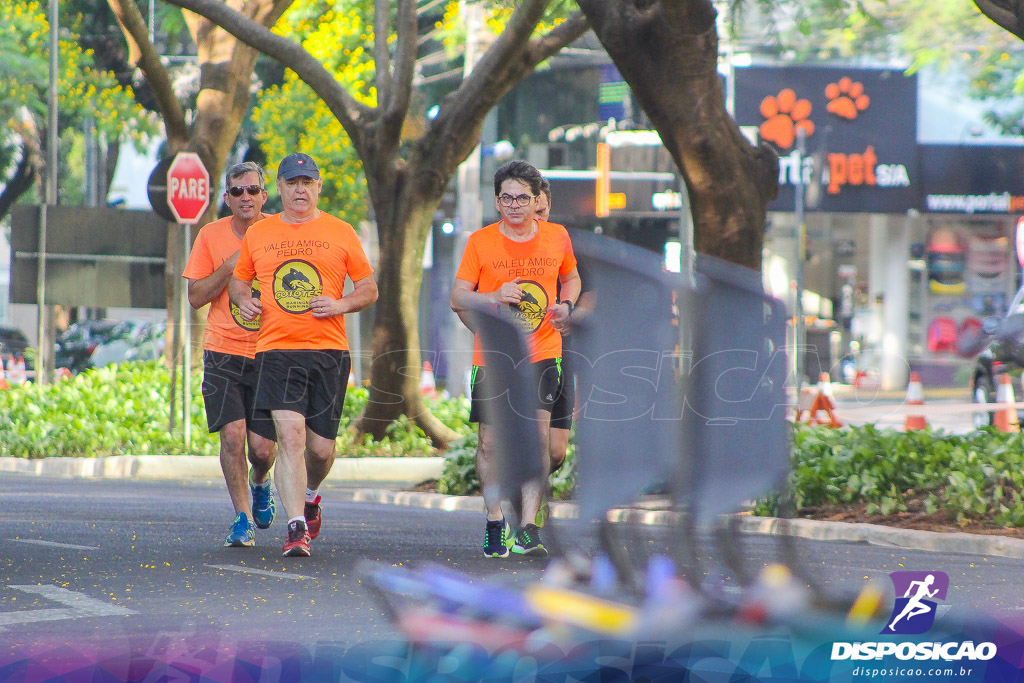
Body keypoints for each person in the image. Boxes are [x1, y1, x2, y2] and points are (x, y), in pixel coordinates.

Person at [230, 153, 378, 557]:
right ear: (278, 188)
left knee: (321, 450)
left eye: (306, 183)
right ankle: (296, 527)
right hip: (276, 349)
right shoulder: (260, 234)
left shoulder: (341, 232)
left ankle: (311, 495)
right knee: (290, 436)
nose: (299, 190)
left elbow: (368, 288)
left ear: (317, 187)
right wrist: (244, 301)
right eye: (292, 183)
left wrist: (341, 304)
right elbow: (239, 283)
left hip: (329, 351)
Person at [450, 160, 581, 558]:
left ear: (536, 199)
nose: (514, 205)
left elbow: (571, 277)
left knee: (539, 438)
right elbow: (458, 297)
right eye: (506, 198)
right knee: (490, 442)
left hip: (543, 351)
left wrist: (566, 305)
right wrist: (493, 295)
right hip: (493, 356)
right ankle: (494, 521)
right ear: (497, 201)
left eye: (522, 198)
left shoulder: (557, 237)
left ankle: (526, 528)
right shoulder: (481, 242)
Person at [182, 161, 278, 548]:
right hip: (222, 350)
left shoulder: (279, 231)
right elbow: (195, 297)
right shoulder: (210, 234)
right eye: (237, 191)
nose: (245, 197)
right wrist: (228, 267)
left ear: (263, 195)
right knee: (232, 436)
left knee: (262, 448)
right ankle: (242, 518)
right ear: (227, 197)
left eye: (252, 190)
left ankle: (261, 481)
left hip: (271, 352)